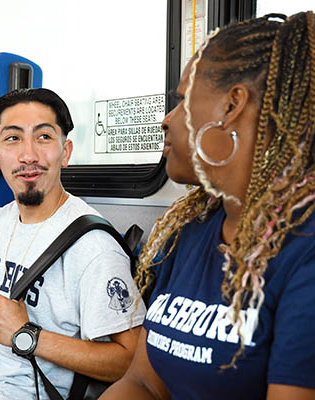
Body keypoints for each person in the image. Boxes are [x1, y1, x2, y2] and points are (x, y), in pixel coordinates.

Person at [100, 11, 315, 400]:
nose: (166, 121)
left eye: (182, 100)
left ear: (232, 105)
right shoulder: (191, 232)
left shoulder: (305, 249)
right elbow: (144, 382)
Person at [0, 88, 146, 400]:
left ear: (66, 151)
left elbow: (132, 362)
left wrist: (27, 336)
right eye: (13, 139)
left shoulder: (95, 248)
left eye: (44, 137)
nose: (28, 155)